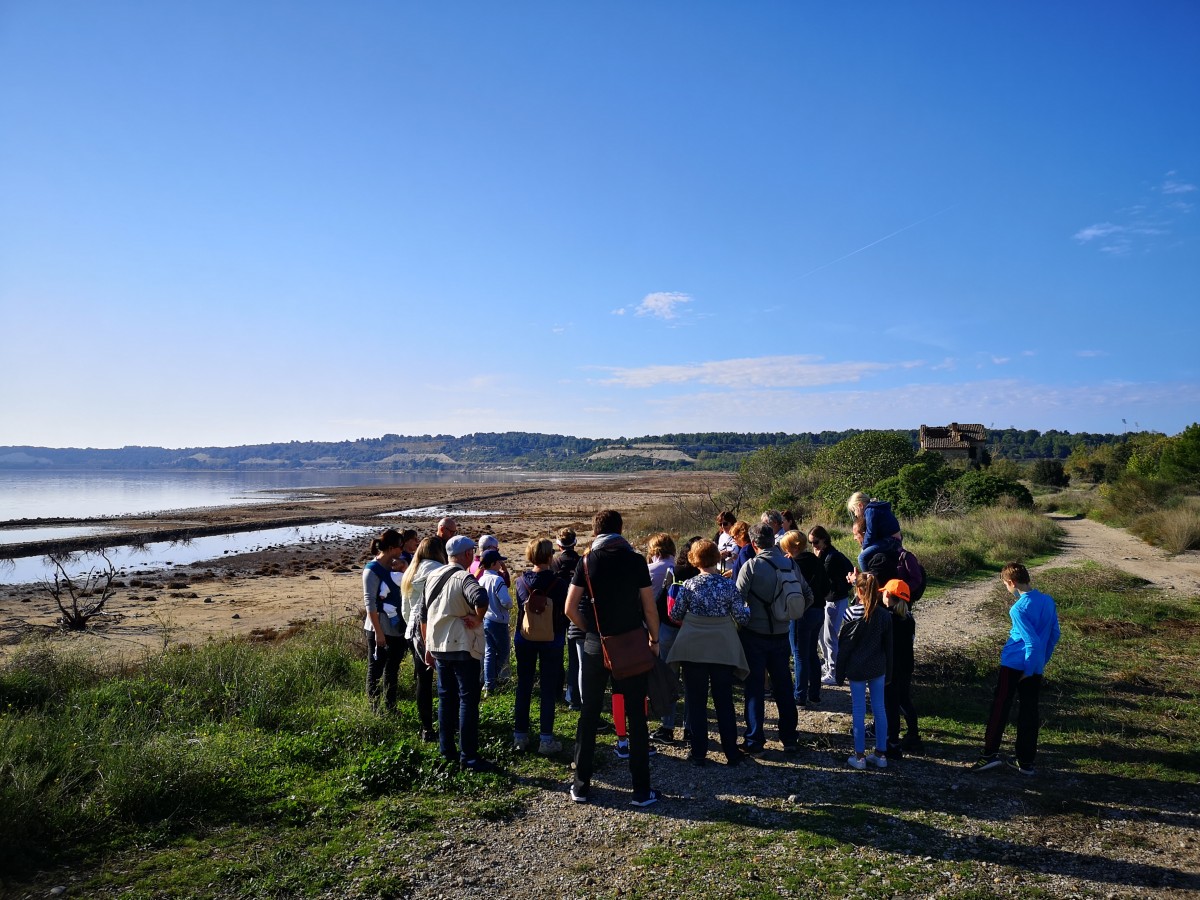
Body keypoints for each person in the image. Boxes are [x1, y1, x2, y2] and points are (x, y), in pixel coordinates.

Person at [564, 509, 661, 807]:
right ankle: (642, 791)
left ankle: (581, 786)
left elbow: (569, 608)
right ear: (620, 530)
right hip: (631, 644)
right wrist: (654, 640)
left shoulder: (586, 561)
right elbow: (648, 607)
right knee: (636, 716)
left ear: (596, 531)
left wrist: (591, 630)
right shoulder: (635, 561)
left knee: (590, 714)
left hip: (596, 645)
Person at [667, 539, 751, 767]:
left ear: (694, 560)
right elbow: (742, 618)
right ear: (716, 557)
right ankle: (732, 752)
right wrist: (748, 608)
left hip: (693, 647)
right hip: (722, 648)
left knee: (696, 701)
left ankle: (698, 752)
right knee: (724, 700)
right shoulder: (728, 586)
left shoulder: (689, 586)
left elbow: (675, 615)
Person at [972, 562, 1060, 776]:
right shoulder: (1047, 601)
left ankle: (989, 754)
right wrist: (1040, 663)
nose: (1007, 589)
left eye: (1005, 585)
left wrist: (1027, 670)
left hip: (1015, 665)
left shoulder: (1018, 608)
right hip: (1035, 665)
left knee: (1000, 707)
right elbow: (1054, 635)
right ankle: (1026, 761)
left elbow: (1031, 642)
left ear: (1011, 582)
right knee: (1029, 711)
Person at [421, 534, 493, 772]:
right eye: (471, 552)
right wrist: (478, 617)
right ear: (466, 555)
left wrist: (428, 646)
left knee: (445, 698)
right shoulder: (464, 577)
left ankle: (447, 751)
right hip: (462, 646)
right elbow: (481, 597)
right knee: (467, 701)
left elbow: (423, 615)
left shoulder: (432, 576)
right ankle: (469, 757)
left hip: (439, 646)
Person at [735, 523, 802, 754]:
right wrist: (784, 614)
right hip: (782, 634)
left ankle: (754, 741)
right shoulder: (790, 563)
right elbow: (807, 596)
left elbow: (737, 602)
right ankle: (790, 738)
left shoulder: (751, 566)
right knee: (784, 686)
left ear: (754, 544)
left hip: (754, 634)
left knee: (754, 688)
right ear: (773, 540)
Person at [512, 538, 570, 755]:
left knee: (524, 686)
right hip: (552, 639)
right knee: (548, 689)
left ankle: (520, 737)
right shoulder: (560, 584)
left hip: (525, 638)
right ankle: (546, 740)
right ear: (549, 556)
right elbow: (565, 612)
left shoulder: (520, 582)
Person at [838, 573, 893, 770]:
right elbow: (888, 647)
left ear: (858, 591)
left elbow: (844, 645)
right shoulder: (885, 616)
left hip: (856, 668)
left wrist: (839, 670)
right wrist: (890, 670)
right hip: (878, 667)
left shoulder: (851, 613)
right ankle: (880, 754)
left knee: (858, 710)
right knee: (879, 709)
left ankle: (859, 756)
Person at [652, 536, 701, 742]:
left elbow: (661, 604)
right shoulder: (703, 577)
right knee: (691, 682)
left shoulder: (676, 573)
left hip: (668, 631)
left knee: (669, 681)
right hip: (693, 632)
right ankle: (690, 728)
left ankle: (667, 727)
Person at [401, 536, 448, 741]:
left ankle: (426, 728)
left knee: (423, 679)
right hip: (437, 627)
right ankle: (450, 722)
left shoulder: (411, 572)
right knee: (448, 677)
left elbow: (405, 608)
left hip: (414, 631)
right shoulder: (440, 570)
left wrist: (411, 627)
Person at [779, 530, 830, 707]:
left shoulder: (792, 565)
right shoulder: (816, 560)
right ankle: (814, 693)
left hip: (801, 612)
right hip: (818, 611)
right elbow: (826, 586)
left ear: (791, 547)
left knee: (799, 654)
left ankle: (799, 695)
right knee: (812, 653)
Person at [362, 528, 408, 713]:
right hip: (378, 628)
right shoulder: (371, 571)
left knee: (393, 669)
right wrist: (378, 633)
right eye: (400, 547)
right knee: (376, 670)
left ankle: (390, 706)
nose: (402, 550)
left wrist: (404, 564)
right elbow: (370, 604)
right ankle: (374, 709)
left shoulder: (396, 565)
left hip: (396, 627)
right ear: (390, 548)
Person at [809, 525, 854, 686]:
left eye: (815, 542)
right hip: (830, 599)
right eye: (811, 543)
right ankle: (830, 666)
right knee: (823, 636)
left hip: (835, 600)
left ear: (824, 539)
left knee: (830, 637)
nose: (814, 546)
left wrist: (841, 589)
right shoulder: (829, 554)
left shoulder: (832, 557)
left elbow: (825, 577)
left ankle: (834, 672)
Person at [881, 579, 921, 757]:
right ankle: (913, 735)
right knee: (904, 700)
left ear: (888, 595)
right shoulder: (908, 618)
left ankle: (892, 743)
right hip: (906, 666)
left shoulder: (887, 618)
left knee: (890, 705)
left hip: (890, 669)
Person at [554, 528, 583, 711]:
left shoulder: (554, 562)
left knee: (556, 653)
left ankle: (557, 691)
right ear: (575, 543)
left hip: (556, 612)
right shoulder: (581, 562)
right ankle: (574, 695)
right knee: (576, 658)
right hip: (576, 610)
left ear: (558, 545)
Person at [478, 548, 513, 694]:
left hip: (485, 619)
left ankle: (488, 684)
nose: (501, 564)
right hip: (498, 621)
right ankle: (496, 677)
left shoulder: (481, 579)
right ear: (493, 564)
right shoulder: (497, 580)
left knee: (489, 652)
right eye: (499, 561)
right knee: (504, 652)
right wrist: (509, 604)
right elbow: (506, 602)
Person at [847, 492, 902, 573]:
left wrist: (864, 547)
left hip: (890, 541)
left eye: (854, 510)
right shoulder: (876, 508)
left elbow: (870, 532)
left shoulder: (870, 511)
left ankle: (869, 580)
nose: (855, 514)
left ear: (860, 505)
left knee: (862, 557)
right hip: (893, 540)